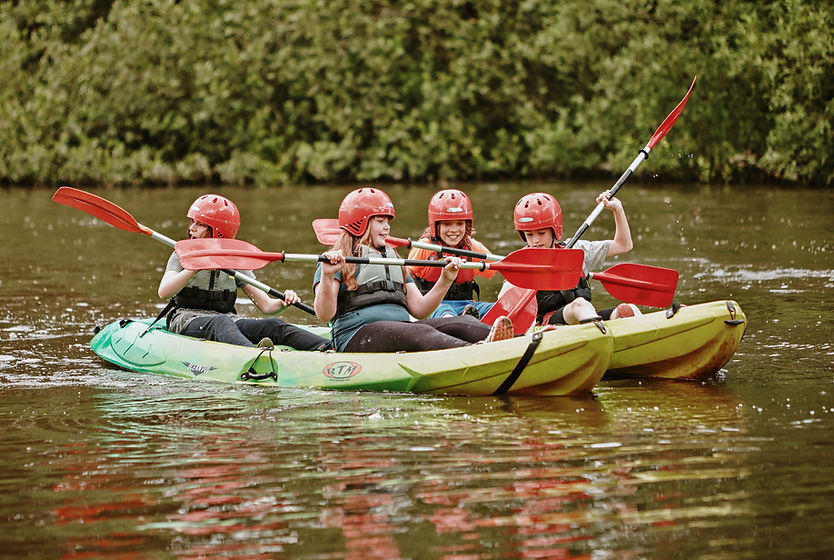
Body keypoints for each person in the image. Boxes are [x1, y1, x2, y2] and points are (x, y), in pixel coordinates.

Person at [313, 187, 514, 353]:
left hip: (401, 329)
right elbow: (324, 314)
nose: (387, 228)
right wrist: (328, 276)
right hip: (355, 335)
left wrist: (445, 280)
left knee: (463, 323)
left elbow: (420, 310)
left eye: (387, 222)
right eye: (380, 221)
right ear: (360, 224)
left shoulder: (393, 259)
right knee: (422, 334)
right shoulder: (334, 261)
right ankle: (480, 353)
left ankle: (522, 342)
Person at [158, 194, 331, 351]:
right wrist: (193, 268)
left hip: (227, 320)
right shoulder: (181, 254)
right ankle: (255, 355)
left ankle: (332, 348)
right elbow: (164, 292)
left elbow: (266, 306)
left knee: (274, 325)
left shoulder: (235, 261)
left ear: (218, 232)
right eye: (193, 222)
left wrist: (282, 302)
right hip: (185, 320)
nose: (191, 229)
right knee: (221, 322)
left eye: (200, 224)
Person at [499, 191, 641, 326]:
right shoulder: (521, 264)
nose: (535, 240)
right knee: (580, 305)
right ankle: (600, 334)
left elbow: (623, 245)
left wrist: (618, 209)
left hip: (585, 318)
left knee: (628, 309)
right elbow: (504, 310)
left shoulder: (576, 250)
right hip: (547, 327)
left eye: (541, 233)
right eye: (529, 235)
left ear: (555, 230)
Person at [406, 189, 496, 319]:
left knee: (495, 308)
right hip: (433, 306)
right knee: (446, 313)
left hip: (467, 305)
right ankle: (460, 322)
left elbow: (499, 268)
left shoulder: (473, 247)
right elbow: (404, 277)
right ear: (436, 225)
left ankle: (492, 326)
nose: (454, 230)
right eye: (447, 224)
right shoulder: (424, 247)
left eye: (460, 223)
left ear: (468, 225)